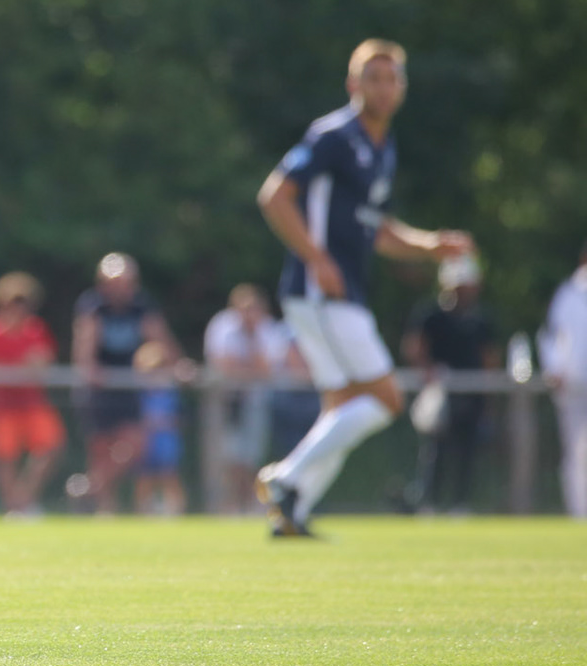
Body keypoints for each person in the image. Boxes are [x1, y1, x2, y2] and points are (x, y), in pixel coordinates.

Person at [255, 39, 474, 537]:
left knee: (344, 405)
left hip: (340, 292)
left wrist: (431, 245)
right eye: (373, 78)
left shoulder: (383, 147)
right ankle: (286, 479)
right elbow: (275, 196)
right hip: (321, 291)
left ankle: (292, 512)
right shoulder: (333, 136)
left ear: (402, 88)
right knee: (386, 399)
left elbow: (378, 231)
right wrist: (317, 258)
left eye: (392, 78)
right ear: (353, 84)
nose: (383, 87)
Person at [72, 253, 179, 514]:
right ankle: (104, 507)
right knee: (100, 449)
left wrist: (177, 364)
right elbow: (85, 345)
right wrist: (89, 369)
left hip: (128, 388)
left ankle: (89, 487)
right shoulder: (93, 306)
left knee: (135, 444)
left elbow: (160, 338)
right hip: (99, 391)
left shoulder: (141, 306)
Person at [399, 255, 498, 514]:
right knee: (435, 451)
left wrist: (488, 396)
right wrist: (427, 370)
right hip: (440, 394)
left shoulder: (479, 319)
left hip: (471, 395)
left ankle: (460, 505)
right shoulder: (431, 314)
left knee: (467, 451)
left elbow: (489, 358)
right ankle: (429, 502)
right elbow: (415, 347)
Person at [0, 272, 64, 518]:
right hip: (2, 405)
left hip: (33, 402)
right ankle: (14, 509)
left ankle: (23, 500)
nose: (18, 308)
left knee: (50, 449)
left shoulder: (36, 330)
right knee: (5, 459)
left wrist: (31, 365)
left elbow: (44, 361)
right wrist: (23, 366)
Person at [203, 284, 291, 513]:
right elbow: (223, 365)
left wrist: (252, 338)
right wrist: (249, 369)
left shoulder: (269, 329)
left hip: (255, 403)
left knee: (251, 458)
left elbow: (266, 370)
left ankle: (250, 503)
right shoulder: (222, 325)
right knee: (229, 458)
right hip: (226, 403)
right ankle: (229, 504)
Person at [540, 243, 587, 519]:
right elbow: (552, 336)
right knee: (575, 452)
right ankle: (579, 512)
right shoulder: (568, 295)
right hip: (574, 385)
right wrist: (555, 369)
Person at [132, 341, 187, 516]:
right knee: (145, 476)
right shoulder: (139, 394)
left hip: (167, 440)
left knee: (169, 474)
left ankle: (175, 510)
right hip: (146, 439)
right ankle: (143, 510)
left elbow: (180, 416)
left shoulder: (171, 392)